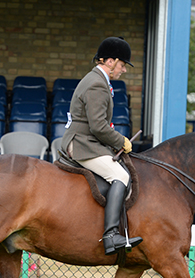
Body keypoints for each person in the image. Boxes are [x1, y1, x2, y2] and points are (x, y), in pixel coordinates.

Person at [60, 37, 142, 255]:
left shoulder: (98, 80)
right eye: (123, 65)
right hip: (82, 143)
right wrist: (121, 141)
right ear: (111, 61)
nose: (123, 70)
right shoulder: (97, 83)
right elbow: (98, 126)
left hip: (87, 140)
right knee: (121, 177)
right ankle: (111, 235)